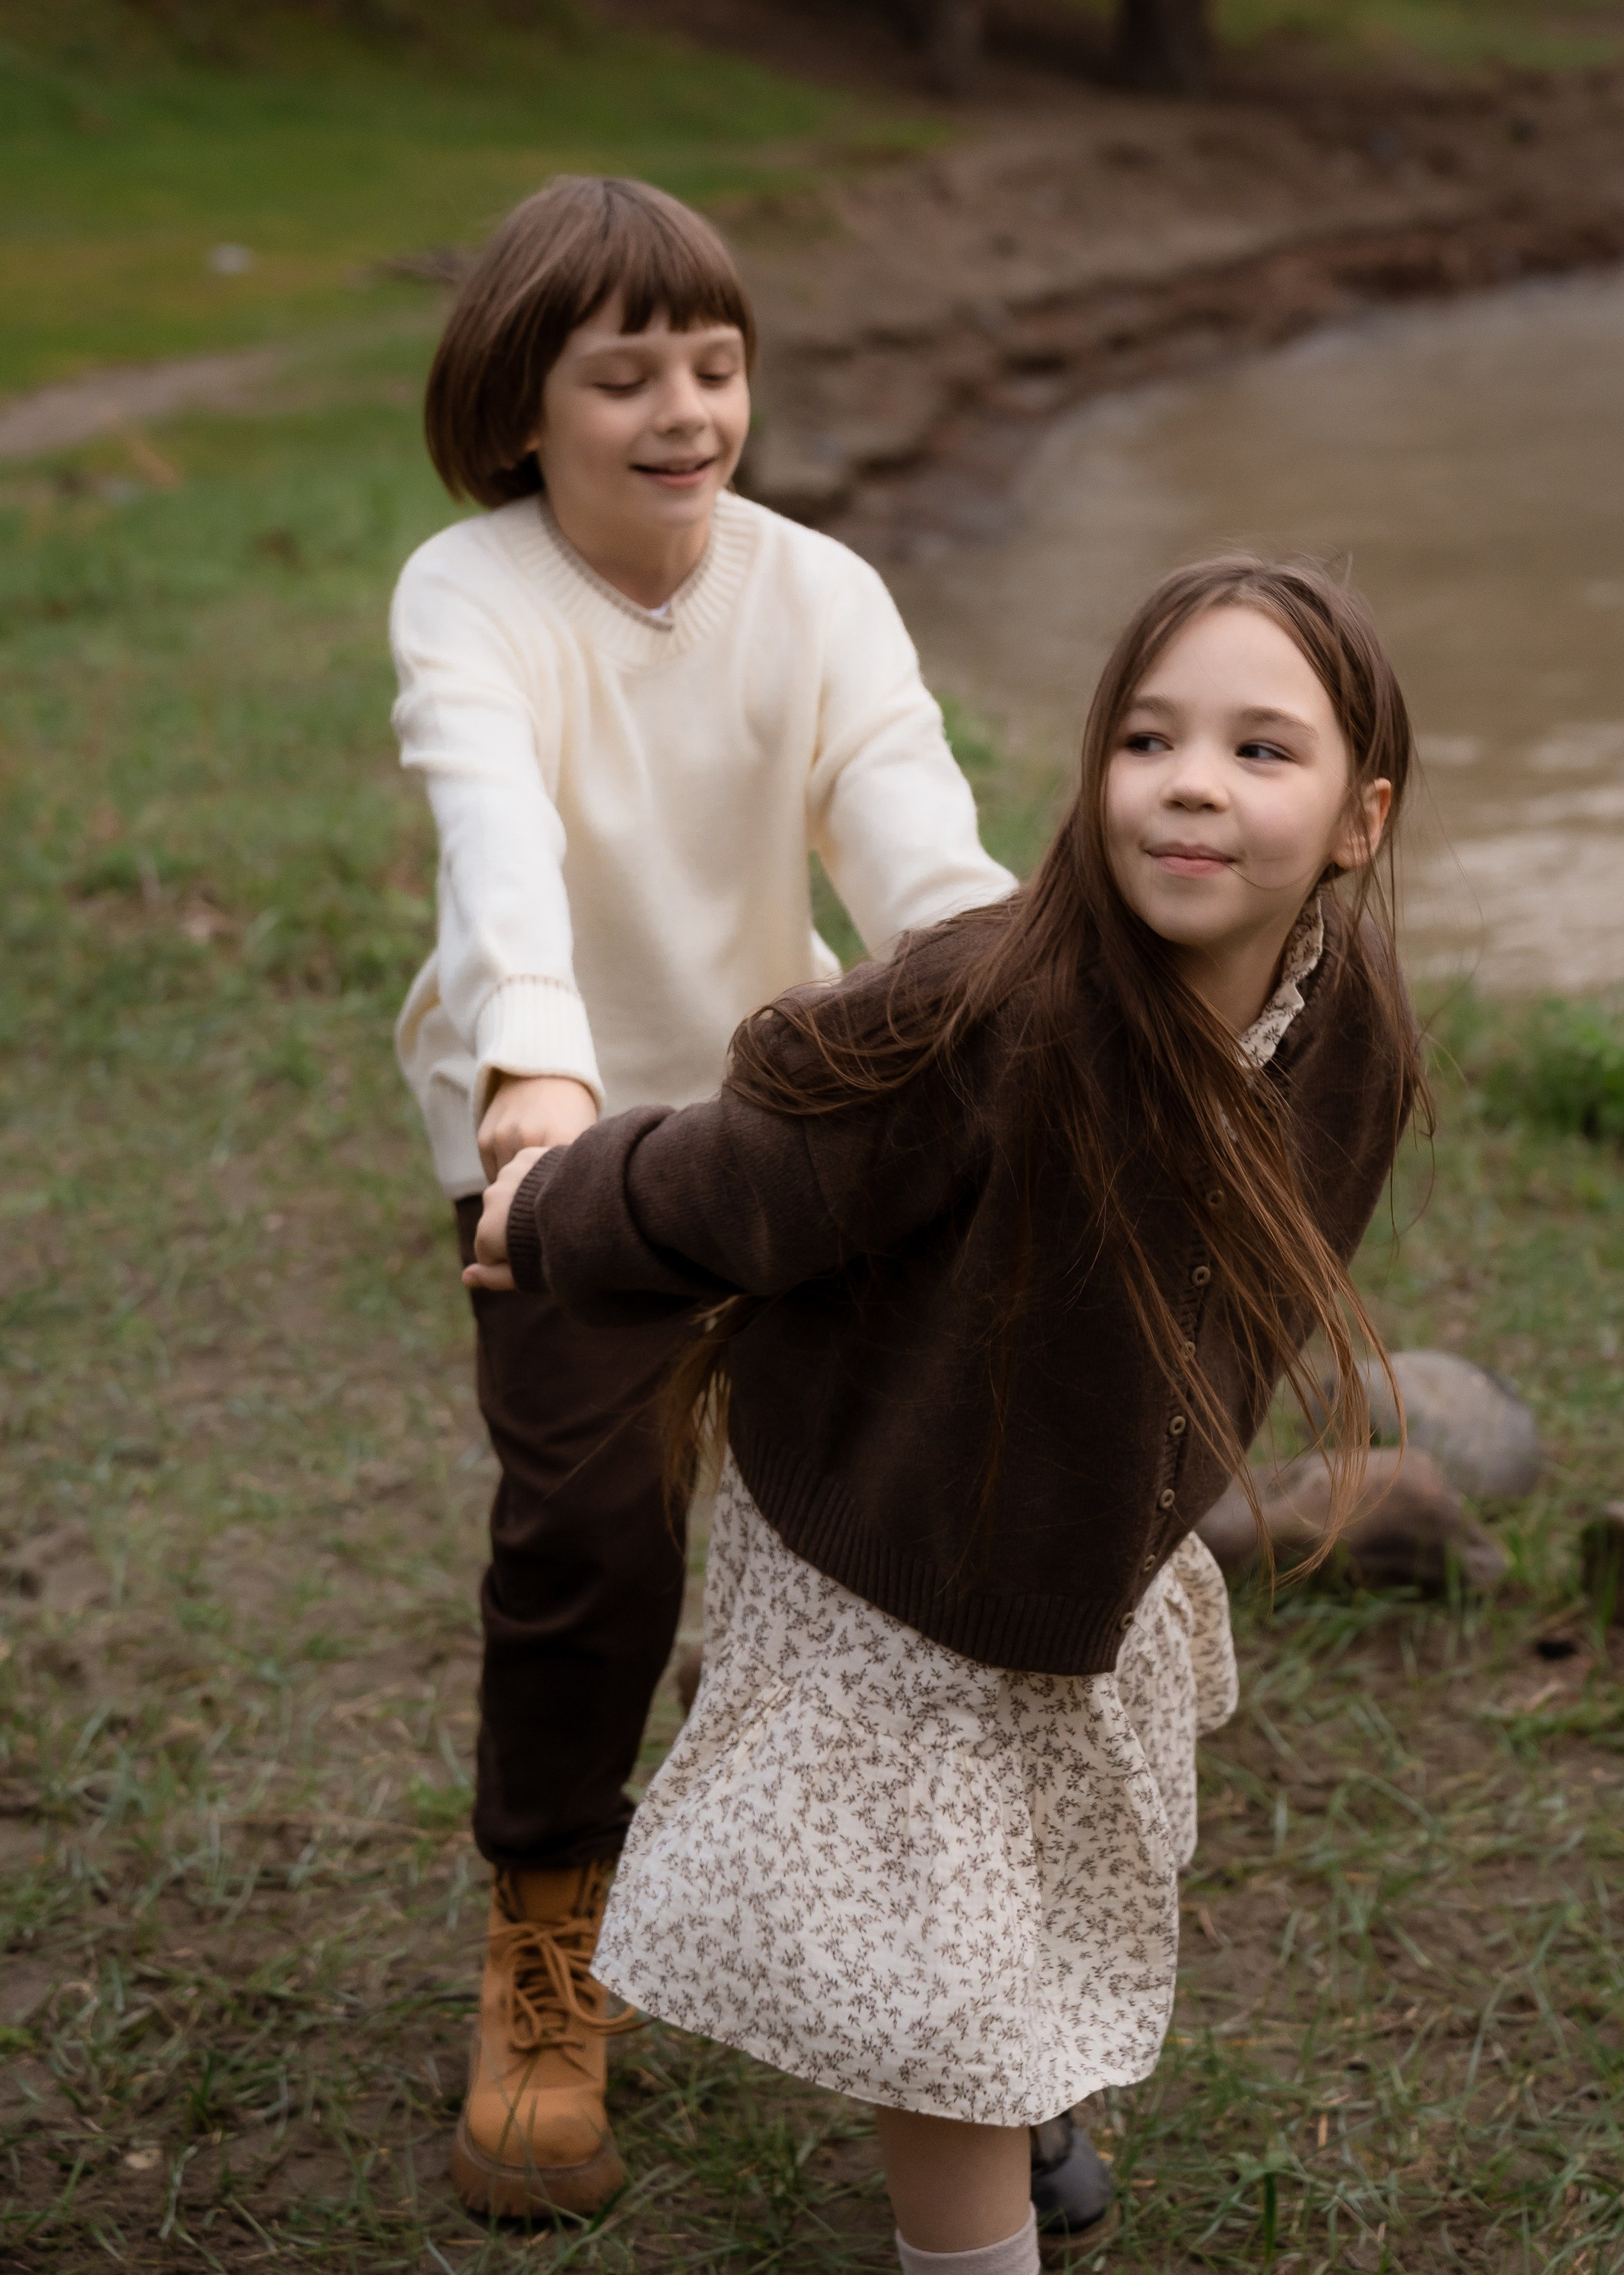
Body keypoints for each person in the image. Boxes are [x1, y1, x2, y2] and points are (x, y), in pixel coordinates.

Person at [469, 554, 1426, 2274]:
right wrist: (549, 1207)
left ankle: (1019, 2066)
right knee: (940, 1989)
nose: (1191, 779)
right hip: (887, 1532)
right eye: (1147, 737)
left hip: (1073, 1535)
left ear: (1359, 821)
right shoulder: (985, 1016)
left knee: (1031, 1863)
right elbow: (737, 1184)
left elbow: (1241, 1297)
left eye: (1259, 751)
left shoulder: (1345, 1027)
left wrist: (1142, 1504)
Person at [389, 174, 1014, 2219]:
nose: (686, 408)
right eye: (627, 370)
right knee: (586, 1536)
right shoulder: (468, 591)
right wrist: (535, 1084)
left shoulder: (817, 590)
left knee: (869, 1540)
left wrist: (1026, 992)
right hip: (555, 1142)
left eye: (717, 364)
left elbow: (912, 839)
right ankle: (547, 1945)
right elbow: (496, 838)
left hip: (786, 1136)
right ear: (522, 403)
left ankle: (934, 2002)